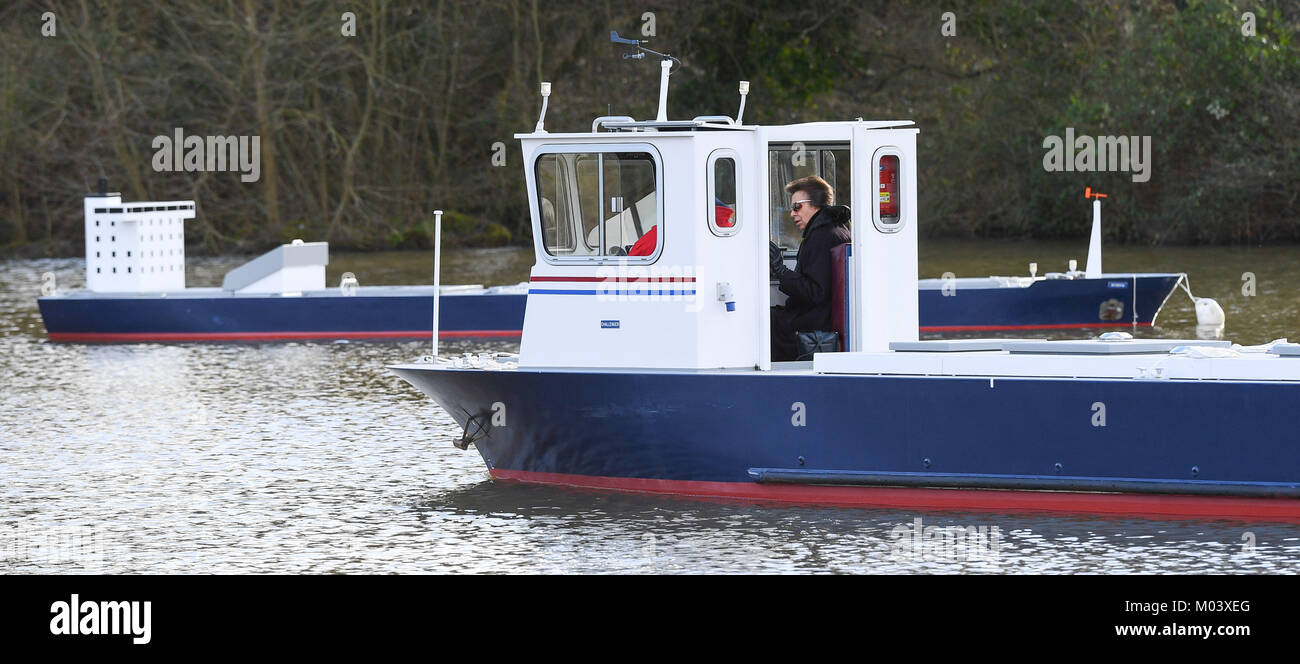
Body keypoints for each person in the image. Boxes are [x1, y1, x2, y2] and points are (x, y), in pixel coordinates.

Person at [769, 175, 851, 362]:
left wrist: (780, 270)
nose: (792, 214)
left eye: (797, 206)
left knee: (765, 320)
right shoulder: (835, 230)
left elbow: (815, 293)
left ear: (816, 205)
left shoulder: (822, 236)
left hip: (815, 324)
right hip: (821, 317)